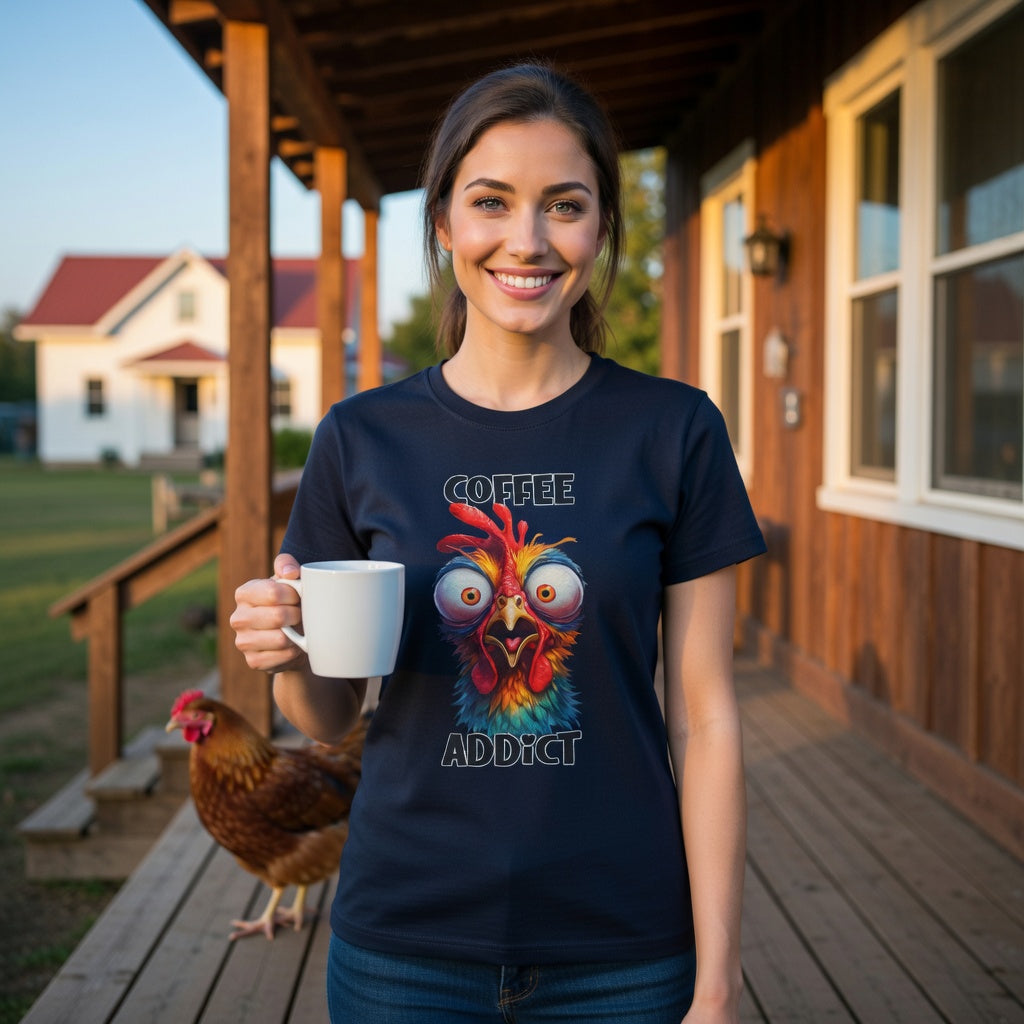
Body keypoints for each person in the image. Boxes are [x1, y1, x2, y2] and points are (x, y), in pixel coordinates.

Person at [231, 61, 766, 1024]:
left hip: (625, 945)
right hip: (404, 943)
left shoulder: (675, 430)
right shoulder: (360, 437)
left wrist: (718, 984)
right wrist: (284, 651)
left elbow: (707, 718)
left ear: (601, 228)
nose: (528, 240)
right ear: (444, 224)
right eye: (492, 202)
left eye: (565, 204)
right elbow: (326, 715)